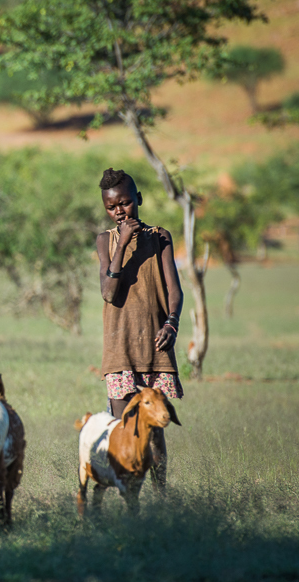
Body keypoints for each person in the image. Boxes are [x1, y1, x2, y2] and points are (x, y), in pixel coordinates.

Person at [96, 168, 184, 491]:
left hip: (154, 348)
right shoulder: (106, 241)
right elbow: (109, 292)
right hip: (120, 350)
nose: (120, 211)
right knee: (124, 431)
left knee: (155, 432)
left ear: (139, 199)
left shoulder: (160, 237)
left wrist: (172, 321)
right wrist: (123, 245)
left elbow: (174, 289)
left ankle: (161, 497)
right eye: (112, 206)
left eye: (126, 203)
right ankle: (129, 500)